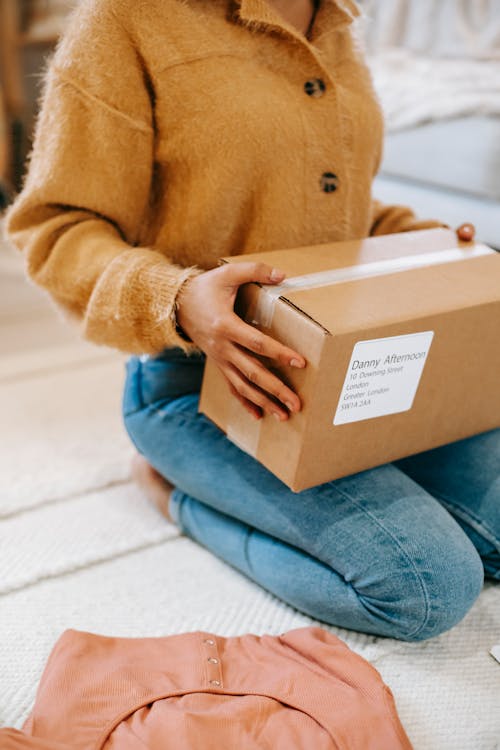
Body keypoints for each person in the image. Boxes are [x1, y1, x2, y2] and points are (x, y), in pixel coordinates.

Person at [4, 0, 499, 642]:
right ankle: (171, 492)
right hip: (205, 390)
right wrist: (179, 296)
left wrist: (433, 243)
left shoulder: (338, 20)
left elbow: (339, 203)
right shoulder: (124, 21)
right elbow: (56, 228)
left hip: (352, 376)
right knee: (427, 588)